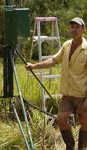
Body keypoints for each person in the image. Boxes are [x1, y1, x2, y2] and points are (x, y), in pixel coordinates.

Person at [25, 17, 87, 150]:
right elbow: (53, 60)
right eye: (72, 27)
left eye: (77, 27)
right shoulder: (66, 45)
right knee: (61, 118)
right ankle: (70, 147)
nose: (74, 29)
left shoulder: (86, 49)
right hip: (68, 94)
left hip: (82, 94)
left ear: (83, 29)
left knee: (84, 121)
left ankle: (82, 147)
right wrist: (34, 66)